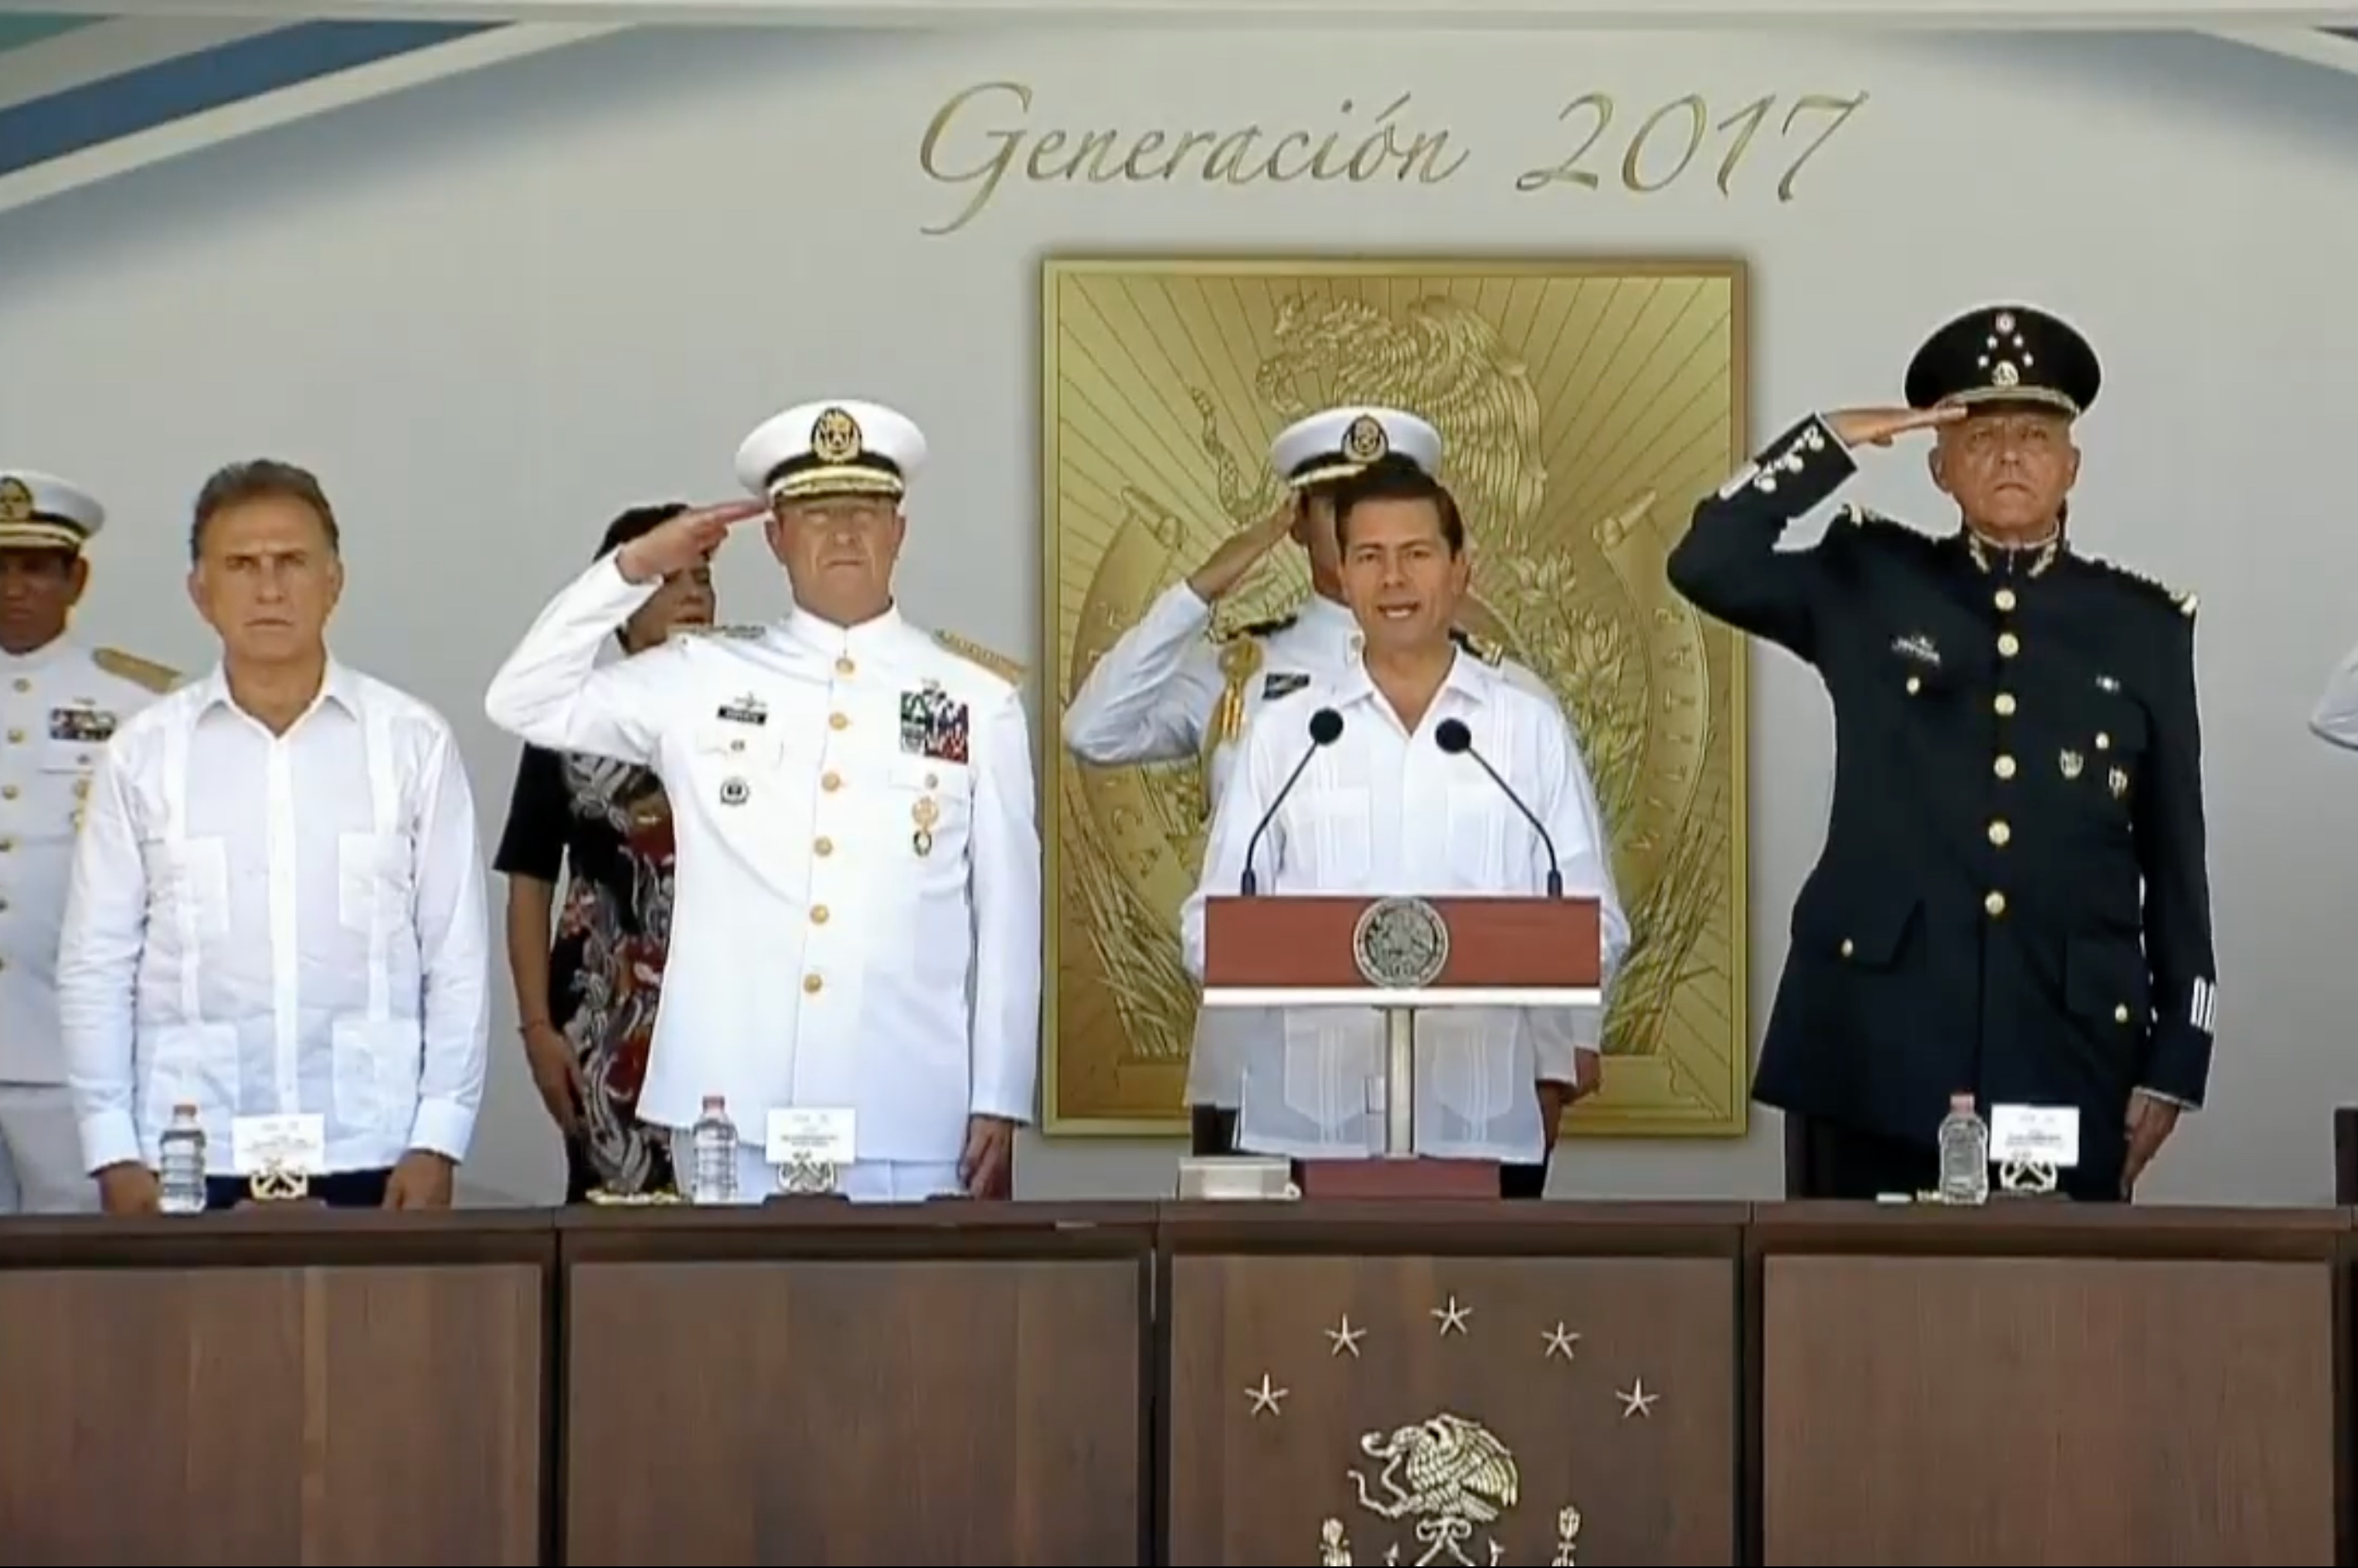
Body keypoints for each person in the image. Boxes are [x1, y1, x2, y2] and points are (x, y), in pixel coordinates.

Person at [1665, 303, 2216, 1202]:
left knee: (2049, 1327)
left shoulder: (2141, 629)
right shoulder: (1870, 579)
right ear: (1937, 465)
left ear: (2069, 464)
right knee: (1844, 1322)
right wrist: (1825, 443)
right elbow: (1705, 562)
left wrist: (2175, 1057)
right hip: (1871, 1040)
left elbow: (2175, 859)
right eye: (1982, 434)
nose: (2007, 455)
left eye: (2034, 434)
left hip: (2065, 1042)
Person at [484, 400, 1038, 1203]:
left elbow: (1009, 911)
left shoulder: (974, 695)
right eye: (815, 513)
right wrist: (630, 569)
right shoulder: (700, 676)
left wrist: (1000, 1092)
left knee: (910, 1329)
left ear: (899, 533)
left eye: (865, 510)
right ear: (774, 538)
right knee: (735, 1330)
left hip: (911, 1107)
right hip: (728, 1111)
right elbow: (521, 700)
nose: (843, 532)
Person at [1062, 405, 1573, 1195]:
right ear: (1301, 523)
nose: (1363, 546)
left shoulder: (1503, 696)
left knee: (1463, 1304)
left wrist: (1561, 1048)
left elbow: (1562, 893)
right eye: (1339, 512)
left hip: (1463, 1075)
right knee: (1267, 1306)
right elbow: (1093, 729)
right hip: (1269, 1066)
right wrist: (1205, 586)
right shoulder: (1244, 670)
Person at [58, 459, 489, 1211]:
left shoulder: (410, 741)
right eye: (240, 564)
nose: (268, 588)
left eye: (291, 562)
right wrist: (113, 1150)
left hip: (373, 1144)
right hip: (189, 1149)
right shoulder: (145, 752)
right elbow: (97, 961)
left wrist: (438, 1136)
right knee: (191, 1335)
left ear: (334, 581)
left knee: (376, 1334)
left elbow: (454, 956)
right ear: (200, 591)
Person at [1179, 458, 1627, 1170]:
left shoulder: (1523, 728)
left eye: (1416, 554)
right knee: (1317, 1289)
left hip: (1480, 1114)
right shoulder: (1290, 733)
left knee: (1464, 1290)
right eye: (1370, 557)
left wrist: (1553, 1052)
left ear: (1460, 570)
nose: (1393, 579)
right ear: (1344, 579)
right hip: (1310, 1119)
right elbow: (1210, 924)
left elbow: (1592, 921)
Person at [495, 502, 719, 1201]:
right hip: (605, 1018)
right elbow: (529, 881)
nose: (692, 594)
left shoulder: (746, 714)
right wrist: (536, 1028)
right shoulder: (571, 719)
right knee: (614, 1224)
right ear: (618, 608)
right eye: (668, 579)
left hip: (727, 1015)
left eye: (703, 578)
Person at [0, 468, 177, 1213]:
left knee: (68, 1287)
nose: (15, 587)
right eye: (0, 568)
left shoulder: (140, 706)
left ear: (77, 579)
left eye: (37, 568)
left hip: (69, 1051)